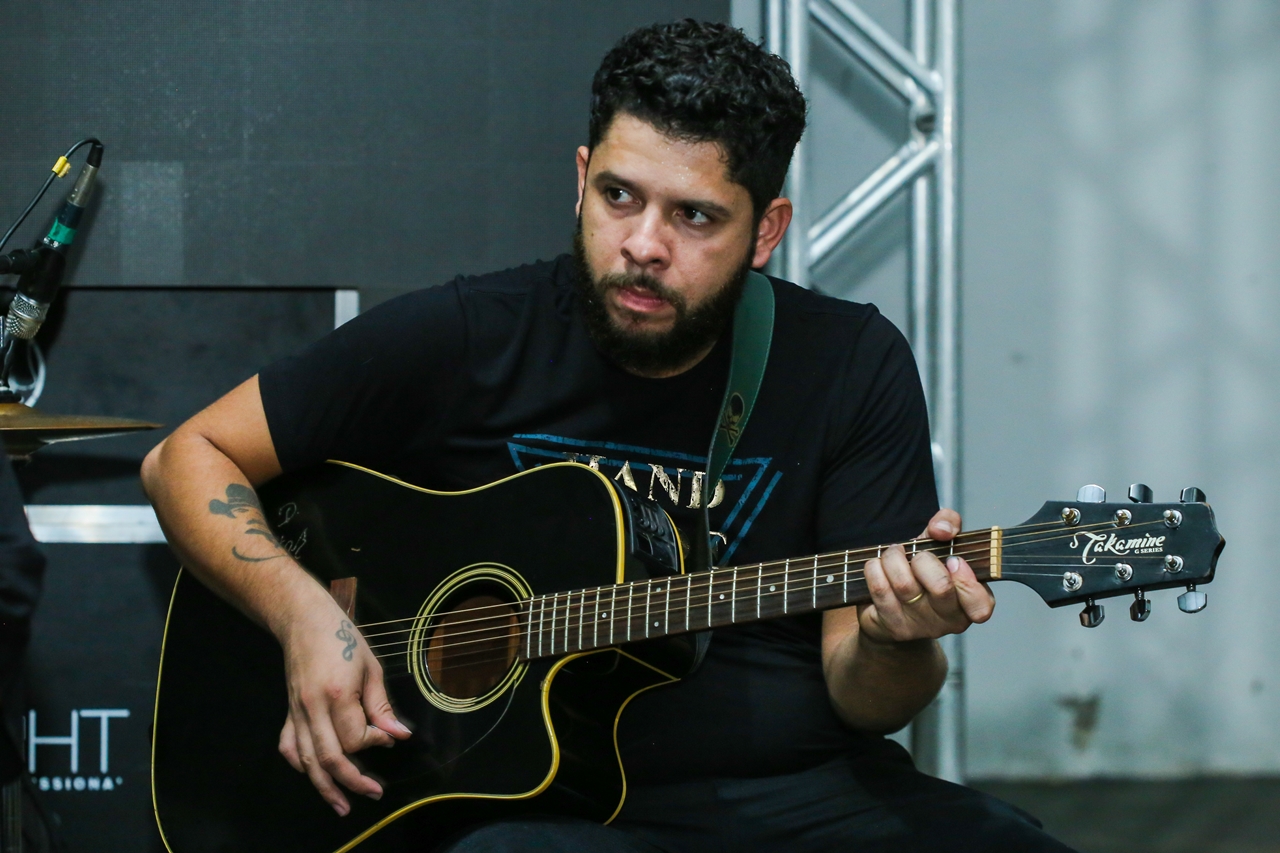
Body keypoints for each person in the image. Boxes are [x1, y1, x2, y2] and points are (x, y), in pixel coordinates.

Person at [142, 19, 1072, 853]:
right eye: (620, 196)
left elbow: (864, 691)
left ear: (766, 231)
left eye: (694, 216)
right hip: (542, 807)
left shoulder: (848, 362)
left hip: (792, 792)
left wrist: (898, 637)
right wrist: (305, 617)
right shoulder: (472, 335)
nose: (644, 244)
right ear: (581, 178)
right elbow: (185, 456)